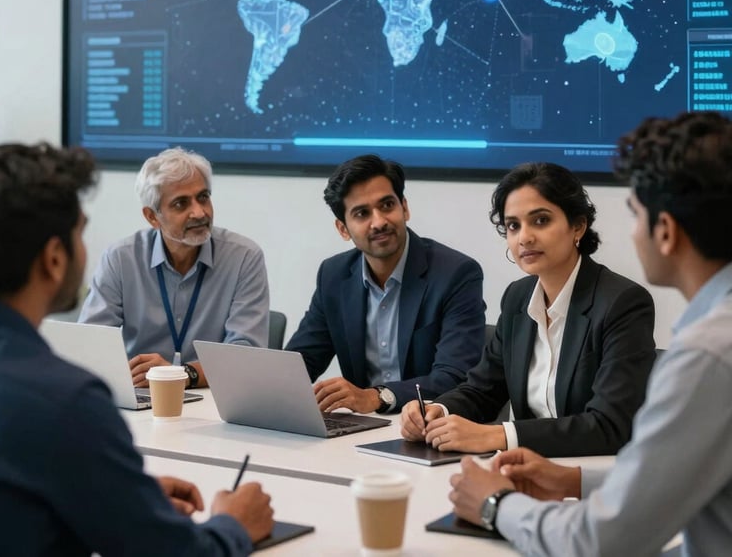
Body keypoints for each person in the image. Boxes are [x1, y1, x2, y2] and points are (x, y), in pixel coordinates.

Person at [0, 142, 274, 556]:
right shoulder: (67, 401)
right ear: (54, 259)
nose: (199, 211)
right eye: (80, 230)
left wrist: (118, 496)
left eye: (203, 197)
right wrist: (233, 525)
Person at [446, 111, 732, 555]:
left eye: (634, 214)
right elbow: (675, 477)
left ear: (666, 231)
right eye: (514, 225)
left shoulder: (707, 353)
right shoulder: (715, 335)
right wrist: (574, 479)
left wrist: (495, 505)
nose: (524, 237)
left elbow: (601, 540)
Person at [401, 161, 655, 456]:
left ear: (578, 227)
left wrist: (499, 435)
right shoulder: (517, 299)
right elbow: (483, 389)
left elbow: (609, 426)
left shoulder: (622, 303)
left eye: (541, 220)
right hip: (524, 470)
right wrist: (437, 411)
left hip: (592, 476)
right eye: (513, 225)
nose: (524, 237)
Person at [285, 154, 486, 414]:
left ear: (405, 208)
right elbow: (301, 363)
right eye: (362, 213)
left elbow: (454, 377)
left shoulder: (456, 274)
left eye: (387, 205)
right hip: (361, 431)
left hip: (432, 428)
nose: (379, 221)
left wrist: (378, 397)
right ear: (343, 228)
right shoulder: (333, 275)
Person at [79, 147, 269, 389]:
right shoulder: (121, 258)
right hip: (142, 396)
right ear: (152, 217)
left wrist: (180, 374)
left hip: (214, 403)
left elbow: (247, 357)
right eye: (181, 204)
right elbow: (91, 344)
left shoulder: (243, 257)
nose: (199, 212)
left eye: (203, 197)